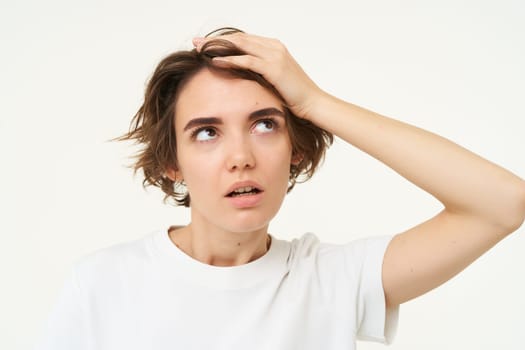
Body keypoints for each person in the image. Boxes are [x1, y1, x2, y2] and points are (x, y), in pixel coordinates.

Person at [34, 27, 525, 349]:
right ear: (171, 163)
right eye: (206, 132)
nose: (241, 157)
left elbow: (502, 203)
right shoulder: (101, 285)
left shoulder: (332, 280)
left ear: (296, 147)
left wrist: (314, 101)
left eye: (265, 125)